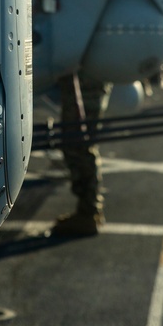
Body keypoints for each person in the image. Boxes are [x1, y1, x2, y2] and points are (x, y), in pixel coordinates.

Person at [52, 73, 110, 236]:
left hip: (83, 88)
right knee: (80, 147)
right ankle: (89, 210)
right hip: (83, 86)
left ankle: (88, 213)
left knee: (78, 148)